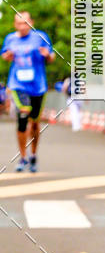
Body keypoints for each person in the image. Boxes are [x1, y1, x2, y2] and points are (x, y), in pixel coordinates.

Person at [1, 11, 54, 172]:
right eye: (19, 23)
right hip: (18, 84)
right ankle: (22, 157)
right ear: (15, 24)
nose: (22, 26)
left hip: (38, 85)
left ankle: (33, 155)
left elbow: (51, 57)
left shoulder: (40, 36)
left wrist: (47, 56)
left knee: (35, 123)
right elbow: (4, 55)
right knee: (23, 114)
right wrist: (7, 56)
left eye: (25, 23)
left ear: (31, 22)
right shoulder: (10, 38)